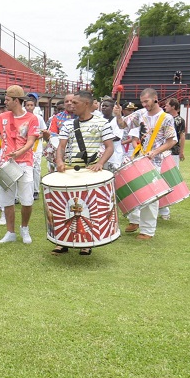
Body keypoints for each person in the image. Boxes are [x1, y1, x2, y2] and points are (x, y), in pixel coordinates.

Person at [51, 91, 114, 256]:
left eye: (75, 103)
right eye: (70, 102)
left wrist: (100, 163)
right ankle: (61, 241)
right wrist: (59, 161)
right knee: (65, 207)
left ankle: (87, 242)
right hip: (70, 171)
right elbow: (61, 146)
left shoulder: (102, 123)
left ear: (86, 104)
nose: (71, 105)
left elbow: (109, 147)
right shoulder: (68, 124)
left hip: (90, 171)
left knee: (87, 209)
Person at [115, 88, 177, 240]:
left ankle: (147, 230)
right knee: (134, 191)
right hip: (137, 157)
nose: (144, 104)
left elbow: (172, 141)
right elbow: (123, 125)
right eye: (142, 102)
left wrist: (155, 152)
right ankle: (135, 221)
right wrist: (118, 116)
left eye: (146, 101)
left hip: (154, 161)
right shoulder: (140, 114)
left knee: (150, 196)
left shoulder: (166, 118)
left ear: (155, 98)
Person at [0, 85, 39, 245]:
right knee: (7, 200)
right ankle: (10, 232)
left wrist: (19, 152)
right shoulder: (2, 117)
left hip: (25, 163)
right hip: (6, 163)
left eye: (8, 100)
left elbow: (31, 141)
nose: (5, 102)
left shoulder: (32, 118)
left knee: (27, 201)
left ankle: (24, 228)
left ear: (17, 101)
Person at [159, 98, 186, 220]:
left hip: (173, 151)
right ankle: (162, 208)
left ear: (174, 107)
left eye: (167, 105)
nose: (165, 106)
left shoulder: (179, 120)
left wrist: (181, 151)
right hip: (161, 150)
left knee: (169, 178)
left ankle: (166, 207)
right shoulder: (163, 118)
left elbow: (182, 136)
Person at [24, 92, 48, 199]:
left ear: (34, 106)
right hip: (24, 145)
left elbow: (44, 131)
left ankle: (35, 190)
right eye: (27, 105)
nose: (29, 107)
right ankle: (25, 190)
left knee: (36, 168)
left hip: (36, 145)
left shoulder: (38, 118)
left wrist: (35, 137)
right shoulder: (22, 117)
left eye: (31, 105)